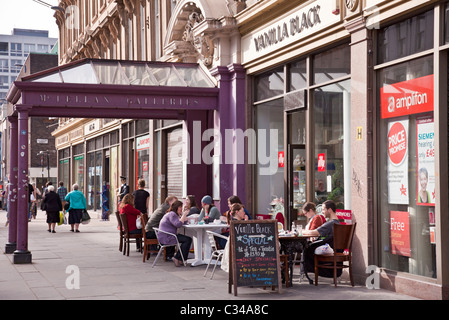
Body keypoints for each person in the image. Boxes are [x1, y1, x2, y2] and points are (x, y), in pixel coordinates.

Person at [302, 200, 341, 277]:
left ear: (329, 210)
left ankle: (311, 271)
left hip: (329, 250)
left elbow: (314, 233)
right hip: (336, 250)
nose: (322, 212)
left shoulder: (330, 223)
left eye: (323, 209)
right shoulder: (338, 223)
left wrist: (302, 231)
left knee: (307, 249)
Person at [158, 200, 192, 267]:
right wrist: (184, 215)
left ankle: (180, 259)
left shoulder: (173, 214)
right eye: (180, 207)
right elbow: (178, 224)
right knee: (188, 240)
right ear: (177, 207)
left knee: (187, 239)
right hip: (167, 237)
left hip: (167, 235)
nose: (181, 209)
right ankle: (178, 258)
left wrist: (183, 217)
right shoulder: (172, 214)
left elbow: (181, 222)